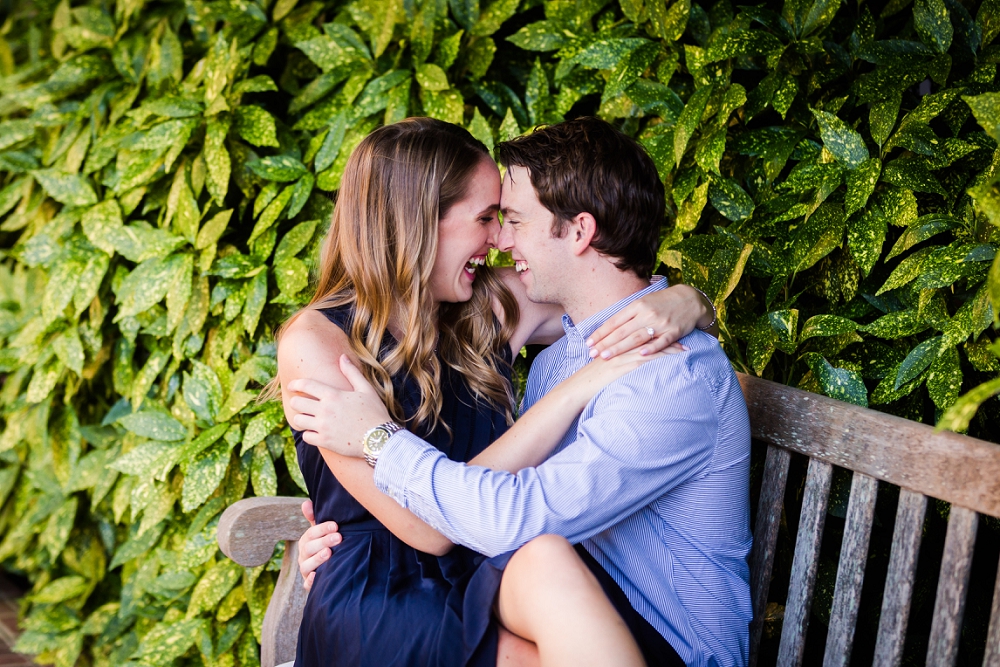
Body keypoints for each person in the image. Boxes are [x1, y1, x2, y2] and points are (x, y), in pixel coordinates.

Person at [290, 117, 753, 667]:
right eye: (488, 218)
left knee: (538, 565)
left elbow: (614, 285)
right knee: (538, 566)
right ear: (417, 224)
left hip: (497, 570)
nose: (500, 241)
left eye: (508, 218)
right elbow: (601, 296)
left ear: (577, 230)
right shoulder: (321, 339)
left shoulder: (501, 313)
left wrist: (691, 301)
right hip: (414, 583)